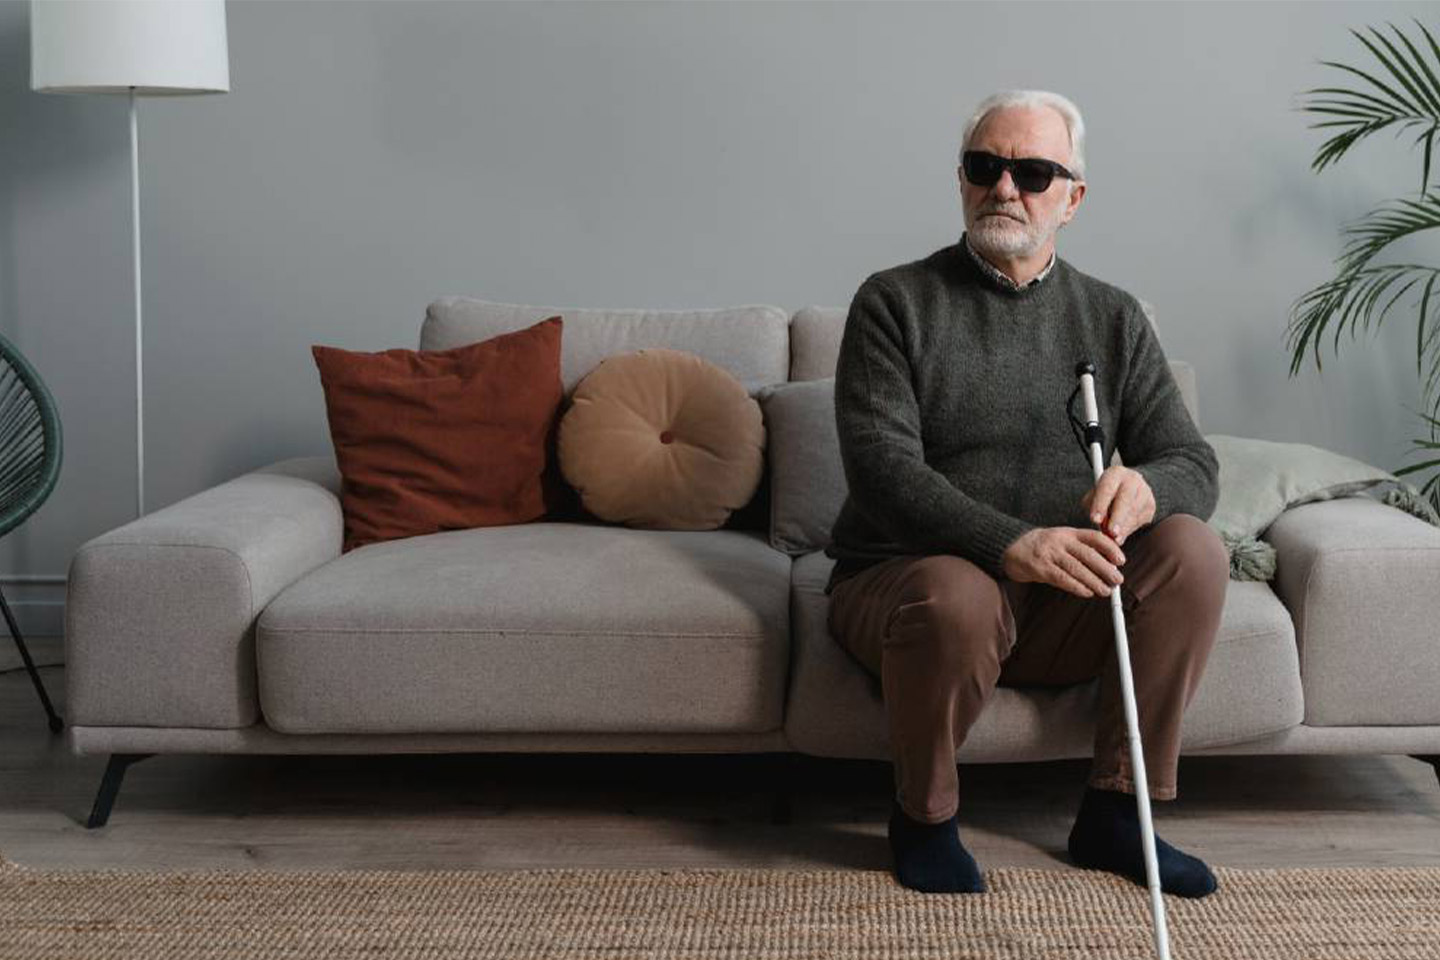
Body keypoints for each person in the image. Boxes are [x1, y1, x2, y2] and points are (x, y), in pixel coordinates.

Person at [824, 89, 1228, 899]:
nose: (1005, 188)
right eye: (986, 166)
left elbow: (1194, 461)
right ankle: (926, 818)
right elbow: (882, 471)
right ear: (963, 179)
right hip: (912, 588)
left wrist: (1145, 487)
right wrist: (1013, 543)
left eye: (1034, 172)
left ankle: (1119, 813)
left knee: (1194, 551)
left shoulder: (1113, 317)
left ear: (1072, 199)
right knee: (959, 593)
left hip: (1062, 601)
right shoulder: (893, 302)